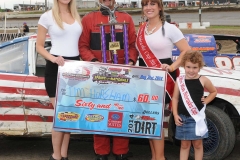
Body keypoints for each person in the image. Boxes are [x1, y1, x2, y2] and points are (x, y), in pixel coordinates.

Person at [78, 0, 138, 159]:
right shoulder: (88, 19)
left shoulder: (126, 18)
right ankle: (101, 152)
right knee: (100, 112)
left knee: (121, 110)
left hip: (122, 74)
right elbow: (82, 46)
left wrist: (130, 61)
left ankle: (121, 151)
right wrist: (94, 62)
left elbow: (133, 45)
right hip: (99, 75)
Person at [135, 0, 191, 159]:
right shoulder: (142, 29)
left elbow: (186, 51)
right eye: (145, 5)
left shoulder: (170, 28)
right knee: (148, 120)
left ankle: (160, 157)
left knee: (155, 119)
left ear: (159, 7)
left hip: (161, 78)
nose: (148, 8)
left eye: (153, 4)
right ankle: (154, 156)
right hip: (144, 78)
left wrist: (173, 67)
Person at [36, 0, 82, 160]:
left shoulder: (76, 16)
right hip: (56, 69)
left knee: (68, 116)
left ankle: (64, 155)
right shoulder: (47, 16)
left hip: (74, 70)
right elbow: (39, 46)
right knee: (60, 114)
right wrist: (54, 59)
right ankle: (55, 156)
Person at [172, 50, 217, 160]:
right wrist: (175, 114)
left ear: (200, 67)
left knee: (197, 145)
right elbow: (175, 98)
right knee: (184, 145)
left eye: (194, 67)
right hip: (182, 118)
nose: (191, 70)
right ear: (183, 66)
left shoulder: (203, 80)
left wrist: (206, 100)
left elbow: (214, 92)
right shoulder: (180, 81)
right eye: (188, 67)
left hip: (197, 119)